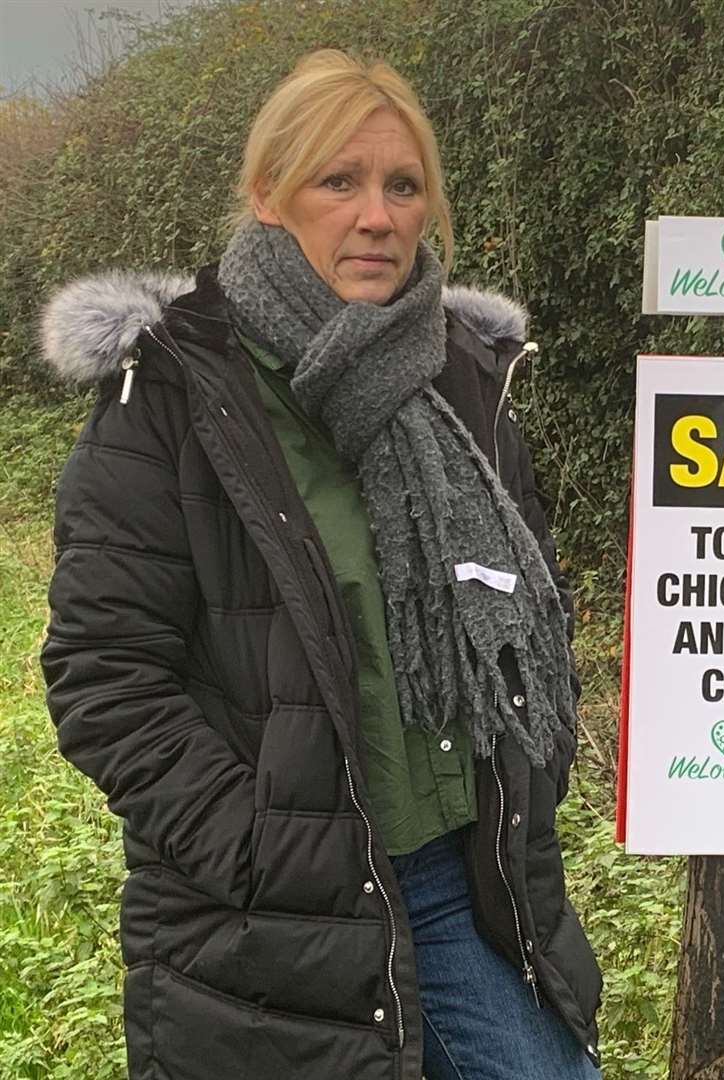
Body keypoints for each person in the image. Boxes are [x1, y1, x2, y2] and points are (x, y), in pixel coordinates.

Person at [40, 50, 601, 1080]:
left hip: (459, 882)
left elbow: (532, 607)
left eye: (401, 184)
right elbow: (104, 675)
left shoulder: (463, 377)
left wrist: (529, 775)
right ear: (266, 196)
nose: (377, 216)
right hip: (276, 910)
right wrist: (267, 851)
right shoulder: (172, 395)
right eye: (336, 182)